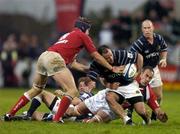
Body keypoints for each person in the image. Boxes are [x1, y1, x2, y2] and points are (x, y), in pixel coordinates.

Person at [4, 17, 119, 123]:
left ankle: (10, 114)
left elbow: (73, 64)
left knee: (36, 89)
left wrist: (89, 69)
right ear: (84, 28)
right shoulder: (83, 36)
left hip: (44, 56)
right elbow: (96, 56)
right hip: (54, 58)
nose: (88, 32)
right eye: (88, 30)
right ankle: (57, 119)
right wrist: (110, 68)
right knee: (72, 91)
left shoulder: (68, 35)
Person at [87, 45, 150, 124]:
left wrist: (138, 72)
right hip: (116, 89)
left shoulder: (121, 54)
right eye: (107, 58)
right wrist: (109, 85)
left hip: (130, 86)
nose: (111, 58)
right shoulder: (97, 64)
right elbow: (100, 78)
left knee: (141, 112)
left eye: (111, 55)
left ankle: (147, 119)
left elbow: (139, 56)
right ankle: (126, 119)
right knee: (109, 97)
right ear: (101, 58)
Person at [129, 19, 168, 120]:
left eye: (149, 28)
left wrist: (163, 59)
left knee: (158, 96)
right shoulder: (139, 43)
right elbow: (130, 56)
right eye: (144, 28)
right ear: (142, 29)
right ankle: (129, 113)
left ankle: (154, 115)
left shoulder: (159, 38)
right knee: (135, 94)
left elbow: (164, 49)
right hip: (141, 71)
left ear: (153, 28)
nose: (147, 30)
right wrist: (136, 71)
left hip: (154, 69)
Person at [9, 77, 95, 121]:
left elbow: (76, 101)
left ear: (89, 87)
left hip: (69, 111)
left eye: (83, 86)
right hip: (69, 113)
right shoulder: (84, 95)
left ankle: (28, 115)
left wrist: (63, 94)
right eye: (80, 86)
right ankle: (31, 115)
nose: (81, 88)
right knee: (34, 114)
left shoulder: (88, 94)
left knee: (41, 92)